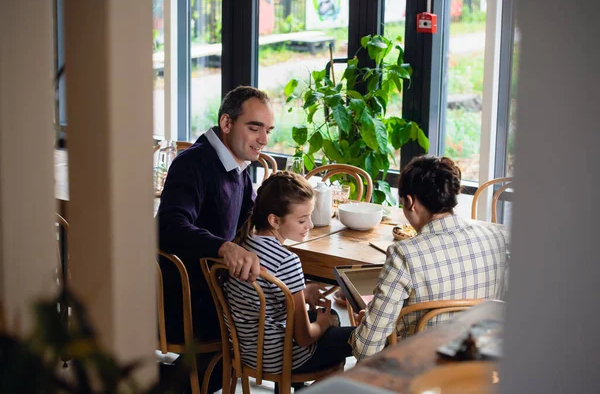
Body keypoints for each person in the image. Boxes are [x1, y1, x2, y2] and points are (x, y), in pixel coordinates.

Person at [156, 86, 274, 392]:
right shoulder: (193, 163)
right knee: (277, 324)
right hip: (183, 299)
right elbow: (168, 225)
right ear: (226, 123)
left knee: (291, 314)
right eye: (254, 128)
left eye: (268, 130)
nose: (264, 139)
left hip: (214, 290)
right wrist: (223, 246)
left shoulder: (239, 168)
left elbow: (249, 225)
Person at [350, 155, 509, 361]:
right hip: (478, 369)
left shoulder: (404, 254)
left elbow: (366, 350)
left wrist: (365, 326)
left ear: (410, 202)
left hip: (417, 375)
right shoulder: (495, 238)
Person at [225, 171, 355, 384]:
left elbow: (268, 295)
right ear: (275, 220)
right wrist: (323, 323)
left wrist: (302, 292)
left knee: (330, 317)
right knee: (352, 332)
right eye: (303, 220)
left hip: (246, 350)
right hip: (279, 359)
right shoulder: (287, 260)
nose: (310, 226)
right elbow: (303, 338)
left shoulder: (242, 244)